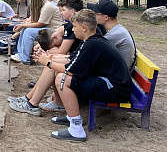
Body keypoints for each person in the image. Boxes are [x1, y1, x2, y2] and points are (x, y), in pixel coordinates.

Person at [35, 9, 132, 142]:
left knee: (62, 79)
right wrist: (51, 58)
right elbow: (72, 60)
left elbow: (70, 70)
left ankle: (76, 130)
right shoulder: (89, 41)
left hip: (115, 88)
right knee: (61, 74)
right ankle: (72, 118)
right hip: (109, 83)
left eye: (74, 27)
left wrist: (49, 63)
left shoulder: (93, 44)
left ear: (84, 27)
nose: (73, 30)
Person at [8, 0, 84, 114]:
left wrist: (44, 55)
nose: (60, 14)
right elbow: (60, 35)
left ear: (72, 12)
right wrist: (43, 51)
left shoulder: (75, 26)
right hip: (79, 61)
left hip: (84, 67)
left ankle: (32, 102)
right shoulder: (73, 25)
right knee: (50, 62)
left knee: (51, 63)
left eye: (63, 10)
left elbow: (62, 51)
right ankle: (30, 99)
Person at [12, 0, 62, 64]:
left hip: (54, 30)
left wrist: (22, 25)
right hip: (47, 28)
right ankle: (20, 54)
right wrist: (24, 25)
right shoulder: (42, 6)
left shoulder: (47, 7)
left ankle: (25, 58)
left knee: (29, 32)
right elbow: (36, 21)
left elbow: (39, 24)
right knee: (25, 29)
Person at [87, 0, 136, 71]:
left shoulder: (113, 35)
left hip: (117, 77)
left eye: (96, 14)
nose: (93, 16)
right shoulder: (117, 30)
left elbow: (92, 55)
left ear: (106, 17)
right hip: (117, 72)